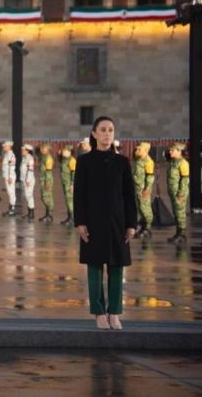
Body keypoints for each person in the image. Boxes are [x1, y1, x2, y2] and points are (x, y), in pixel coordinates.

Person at [73, 116, 136, 330]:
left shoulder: (122, 162)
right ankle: (99, 312)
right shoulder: (84, 161)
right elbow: (79, 195)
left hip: (118, 222)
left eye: (110, 130)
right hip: (93, 221)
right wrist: (80, 222)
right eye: (103, 130)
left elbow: (129, 195)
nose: (107, 134)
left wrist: (131, 224)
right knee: (95, 267)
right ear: (94, 133)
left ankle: (115, 312)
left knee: (117, 267)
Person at [166, 143, 190, 244]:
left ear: (179, 151)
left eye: (172, 150)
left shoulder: (183, 163)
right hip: (173, 192)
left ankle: (182, 235)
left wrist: (181, 193)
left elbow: (185, 180)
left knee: (180, 214)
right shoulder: (172, 162)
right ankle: (178, 233)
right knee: (176, 213)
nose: (170, 152)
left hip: (180, 193)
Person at [132, 142, 155, 239]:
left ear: (145, 151)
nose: (136, 151)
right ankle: (144, 227)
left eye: (139, 149)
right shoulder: (138, 160)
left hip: (143, 189)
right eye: (136, 149)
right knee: (140, 208)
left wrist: (147, 189)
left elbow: (150, 177)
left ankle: (148, 229)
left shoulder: (148, 161)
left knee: (145, 208)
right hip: (137, 188)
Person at [59, 145, 77, 225]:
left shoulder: (72, 160)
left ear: (69, 152)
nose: (63, 152)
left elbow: (74, 173)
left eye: (65, 151)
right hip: (65, 183)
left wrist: (72, 184)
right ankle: (69, 217)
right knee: (67, 200)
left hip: (69, 184)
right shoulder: (64, 159)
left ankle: (72, 218)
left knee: (70, 201)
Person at [37, 143, 55, 223]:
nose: (41, 150)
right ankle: (47, 214)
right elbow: (36, 150)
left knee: (47, 197)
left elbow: (48, 171)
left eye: (43, 148)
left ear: (47, 149)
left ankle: (49, 215)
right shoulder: (42, 157)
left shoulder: (48, 158)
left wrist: (47, 182)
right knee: (43, 197)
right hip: (42, 179)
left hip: (47, 180)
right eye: (41, 148)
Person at [1, 140, 17, 216]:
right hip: (7, 176)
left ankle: (12, 209)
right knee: (9, 193)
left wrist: (10, 177)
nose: (3, 147)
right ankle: (10, 208)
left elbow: (11, 167)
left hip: (10, 177)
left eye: (5, 146)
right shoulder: (7, 154)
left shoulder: (11, 155)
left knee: (11, 193)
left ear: (9, 146)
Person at [20, 144, 36, 220]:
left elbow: (30, 170)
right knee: (27, 196)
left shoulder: (30, 159)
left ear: (27, 151)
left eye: (23, 150)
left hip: (28, 180)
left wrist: (28, 180)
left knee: (29, 196)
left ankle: (32, 213)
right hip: (25, 180)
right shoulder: (25, 158)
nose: (22, 151)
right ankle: (29, 212)